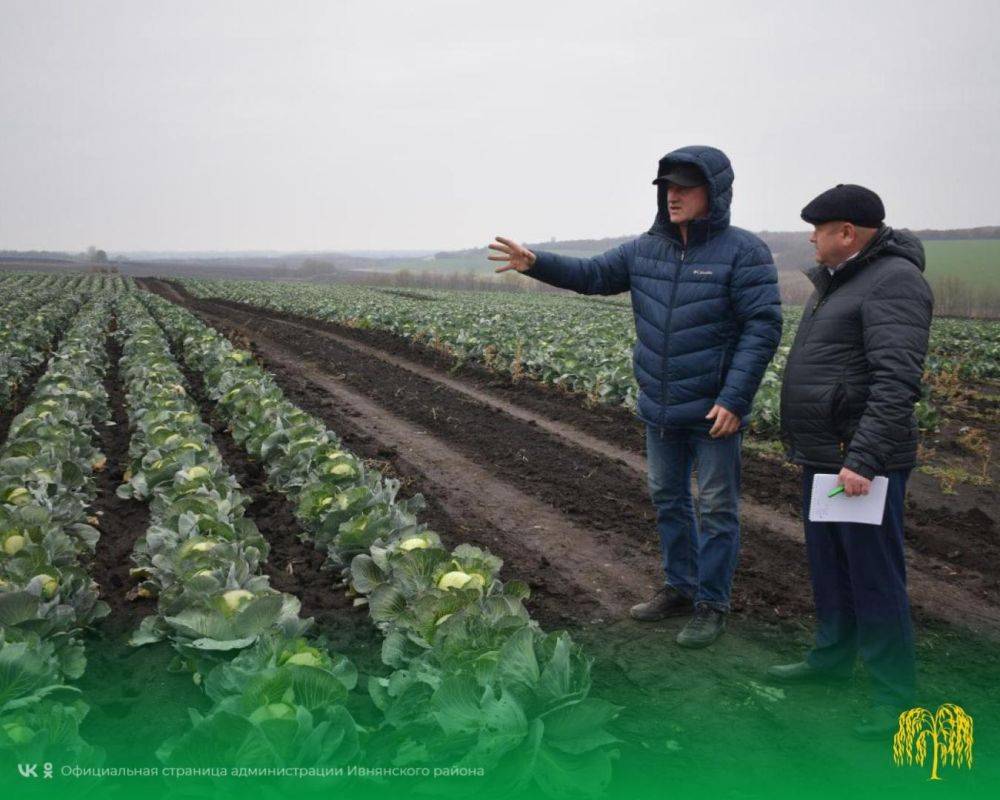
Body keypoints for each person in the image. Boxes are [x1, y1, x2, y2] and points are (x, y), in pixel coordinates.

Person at [490, 145, 782, 648]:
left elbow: (763, 327)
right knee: (668, 499)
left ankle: (712, 603)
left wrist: (735, 399)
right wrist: (536, 263)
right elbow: (593, 275)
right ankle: (679, 588)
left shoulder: (743, 252)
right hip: (661, 405)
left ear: (714, 193)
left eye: (685, 187)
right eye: (667, 187)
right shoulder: (645, 250)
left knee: (716, 509)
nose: (673, 195)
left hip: (715, 409)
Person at [767, 184, 933, 739]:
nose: (810, 238)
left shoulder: (895, 282)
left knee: (874, 574)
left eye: (819, 229)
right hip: (826, 455)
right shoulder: (839, 281)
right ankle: (830, 661)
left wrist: (862, 459)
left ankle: (894, 697)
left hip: (861, 461)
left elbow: (896, 381)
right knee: (830, 566)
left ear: (847, 233)